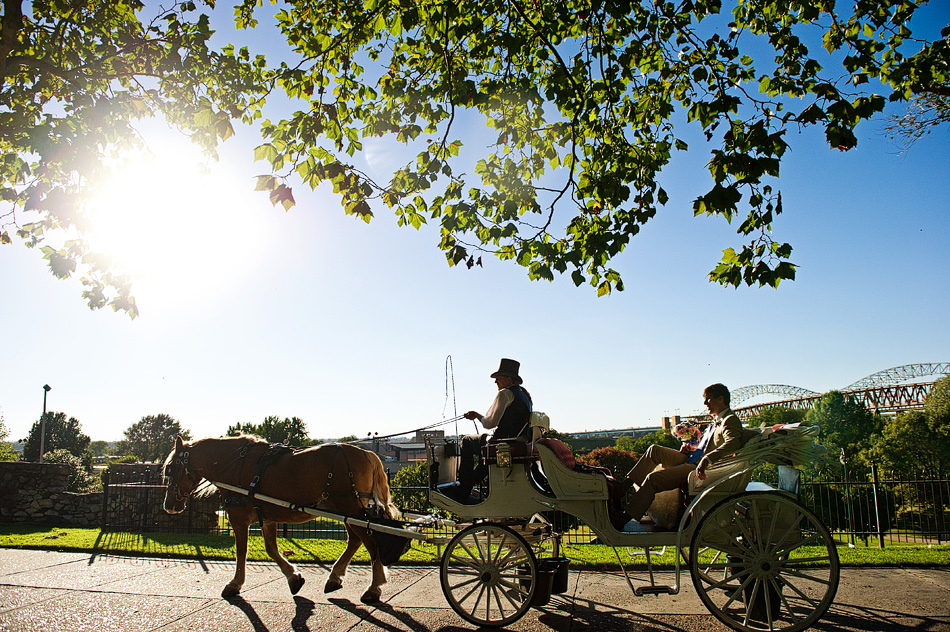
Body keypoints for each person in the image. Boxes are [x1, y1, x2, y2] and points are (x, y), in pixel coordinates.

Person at [619, 383, 757, 524]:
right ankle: (624, 486)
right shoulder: (717, 420)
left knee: (653, 479)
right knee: (654, 450)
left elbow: (732, 443)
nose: (704, 403)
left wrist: (707, 460)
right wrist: (691, 449)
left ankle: (625, 517)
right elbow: (709, 445)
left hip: (700, 468)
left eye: (708, 399)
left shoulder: (730, 420)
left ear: (721, 399)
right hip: (692, 458)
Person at [449, 358, 533, 503]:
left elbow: (489, 423)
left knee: (467, 441)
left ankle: (464, 488)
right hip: (516, 440)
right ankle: (471, 483)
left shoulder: (505, 394)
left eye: (498, 378)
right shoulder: (524, 395)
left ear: (508, 379)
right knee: (481, 450)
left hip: (502, 441)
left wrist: (476, 415)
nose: (496, 382)